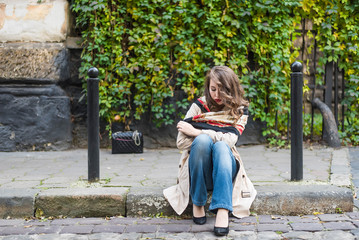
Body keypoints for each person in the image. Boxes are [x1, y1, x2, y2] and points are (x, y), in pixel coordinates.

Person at [163, 66, 257, 236]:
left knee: (220, 146)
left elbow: (230, 140)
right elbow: (181, 141)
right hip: (200, 170)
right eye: (213, 89)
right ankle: (198, 202)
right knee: (202, 141)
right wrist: (207, 135)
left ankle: (222, 209)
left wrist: (198, 131)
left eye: (222, 90)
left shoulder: (239, 110)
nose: (216, 95)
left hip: (226, 170)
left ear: (231, 89)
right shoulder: (199, 106)